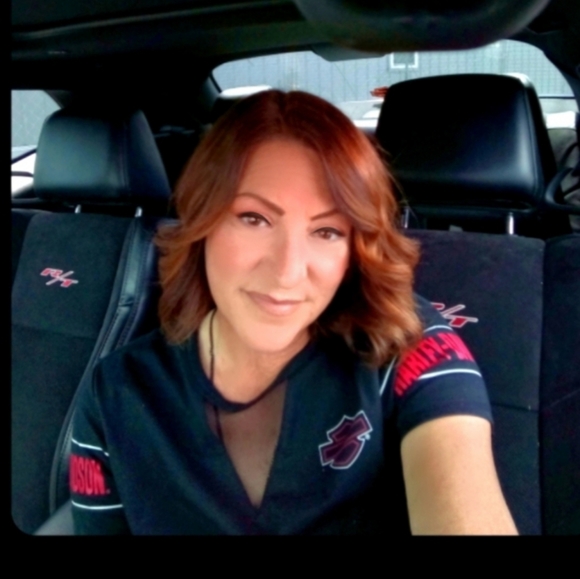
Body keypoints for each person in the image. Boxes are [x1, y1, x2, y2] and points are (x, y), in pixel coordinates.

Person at [70, 90, 517, 535]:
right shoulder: (117, 391)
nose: (287, 272)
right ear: (201, 221)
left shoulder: (408, 348)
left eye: (327, 231)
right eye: (254, 219)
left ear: (354, 250)